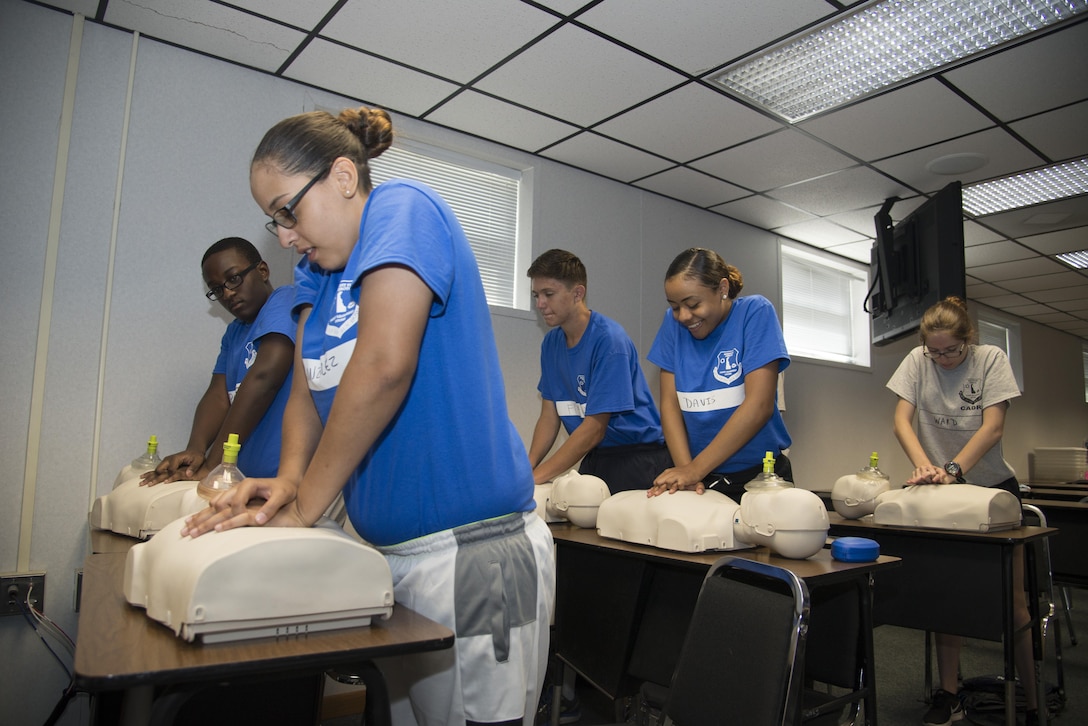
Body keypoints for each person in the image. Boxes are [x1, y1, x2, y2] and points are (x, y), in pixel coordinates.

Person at [183, 106, 554, 726]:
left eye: (288, 211)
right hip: (393, 557)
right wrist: (293, 481)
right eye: (272, 220)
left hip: (470, 555)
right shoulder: (316, 275)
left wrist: (305, 509)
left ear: (344, 178)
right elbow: (306, 386)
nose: (284, 236)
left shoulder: (403, 209)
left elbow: (383, 366)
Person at [887, 296, 1037, 726]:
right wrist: (924, 466)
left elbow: (993, 426)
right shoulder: (918, 360)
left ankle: (1029, 700)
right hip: (942, 492)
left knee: (1014, 600)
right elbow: (901, 420)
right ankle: (949, 693)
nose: (943, 358)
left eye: (951, 350)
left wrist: (953, 469)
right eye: (935, 351)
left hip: (992, 490)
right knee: (944, 598)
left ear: (968, 340)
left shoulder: (991, 359)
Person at [141, 237, 294, 485]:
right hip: (248, 480)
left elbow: (265, 378)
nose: (228, 293)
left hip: (291, 479)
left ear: (262, 271)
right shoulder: (234, 332)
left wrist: (213, 464)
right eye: (217, 289)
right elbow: (218, 395)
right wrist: (196, 450)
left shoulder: (286, 301)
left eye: (233, 279)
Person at [646, 247, 791, 500]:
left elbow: (759, 405)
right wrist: (687, 472)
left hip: (760, 480)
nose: (683, 316)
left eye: (693, 304)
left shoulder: (754, 313)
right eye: (675, 306)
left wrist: (694, 469)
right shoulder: (673, 324)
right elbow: (670, 404)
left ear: (722, 289)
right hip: (702, 481)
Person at [526, 249, 670, 492]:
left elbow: (594, 428)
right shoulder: (551, 344)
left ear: (577, 293)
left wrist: (535, 478)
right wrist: (527, 470)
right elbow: (549, 417)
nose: (540, 304)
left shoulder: (609, 341)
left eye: (548, 294)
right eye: (536, 295)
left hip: (637, 457)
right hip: (596, 454)